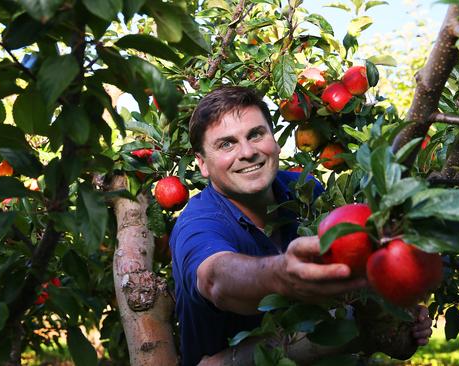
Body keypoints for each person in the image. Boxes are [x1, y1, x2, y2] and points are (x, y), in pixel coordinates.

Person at [170, 86, 433, 366]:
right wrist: (282, 275)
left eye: (256, 134)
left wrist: (396, 310)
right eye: (226, 144)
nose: (247, 152)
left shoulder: (305, 190)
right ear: (202, 164)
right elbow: (216, 279)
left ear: (275, 140)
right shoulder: (197, 222)